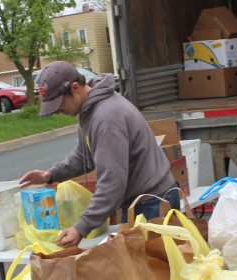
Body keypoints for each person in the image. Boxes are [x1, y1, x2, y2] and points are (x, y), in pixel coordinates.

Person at [18, 61, 179, 247]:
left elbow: (112, 181)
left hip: (152, 203)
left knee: (152, 272)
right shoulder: (90, 110)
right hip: (145, 200)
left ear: (75, 88)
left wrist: (81, 227)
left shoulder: (106, 119)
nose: (58, 111)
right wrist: (51, 174)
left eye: (59, 103)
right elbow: (83, 157)